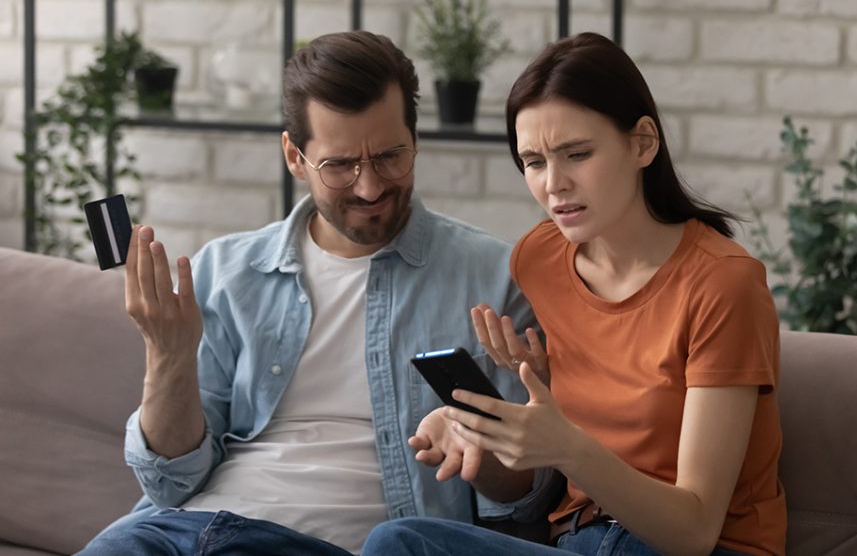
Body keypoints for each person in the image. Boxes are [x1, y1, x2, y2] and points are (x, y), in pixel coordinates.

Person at [78, 31, 556, 556]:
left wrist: (478, 446)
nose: (370, 187)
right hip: (181, 532)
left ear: (415, 140)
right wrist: (167, 356)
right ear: (294, 156)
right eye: (340, 166)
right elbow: (171, 483)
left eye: (390, 156)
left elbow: (524, 500)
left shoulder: (493, 278)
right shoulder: (227, 271)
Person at [362, 32, 787, 556]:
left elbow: (694, 531)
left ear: (643, 143)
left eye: (577, 154)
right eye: (534, 162)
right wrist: (491, 429)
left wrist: (567, 446)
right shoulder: (539, 259)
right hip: (579, 540)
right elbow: (533, 473)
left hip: (694, 549)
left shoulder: (722, 284)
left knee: (400, 543)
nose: (554, 184)